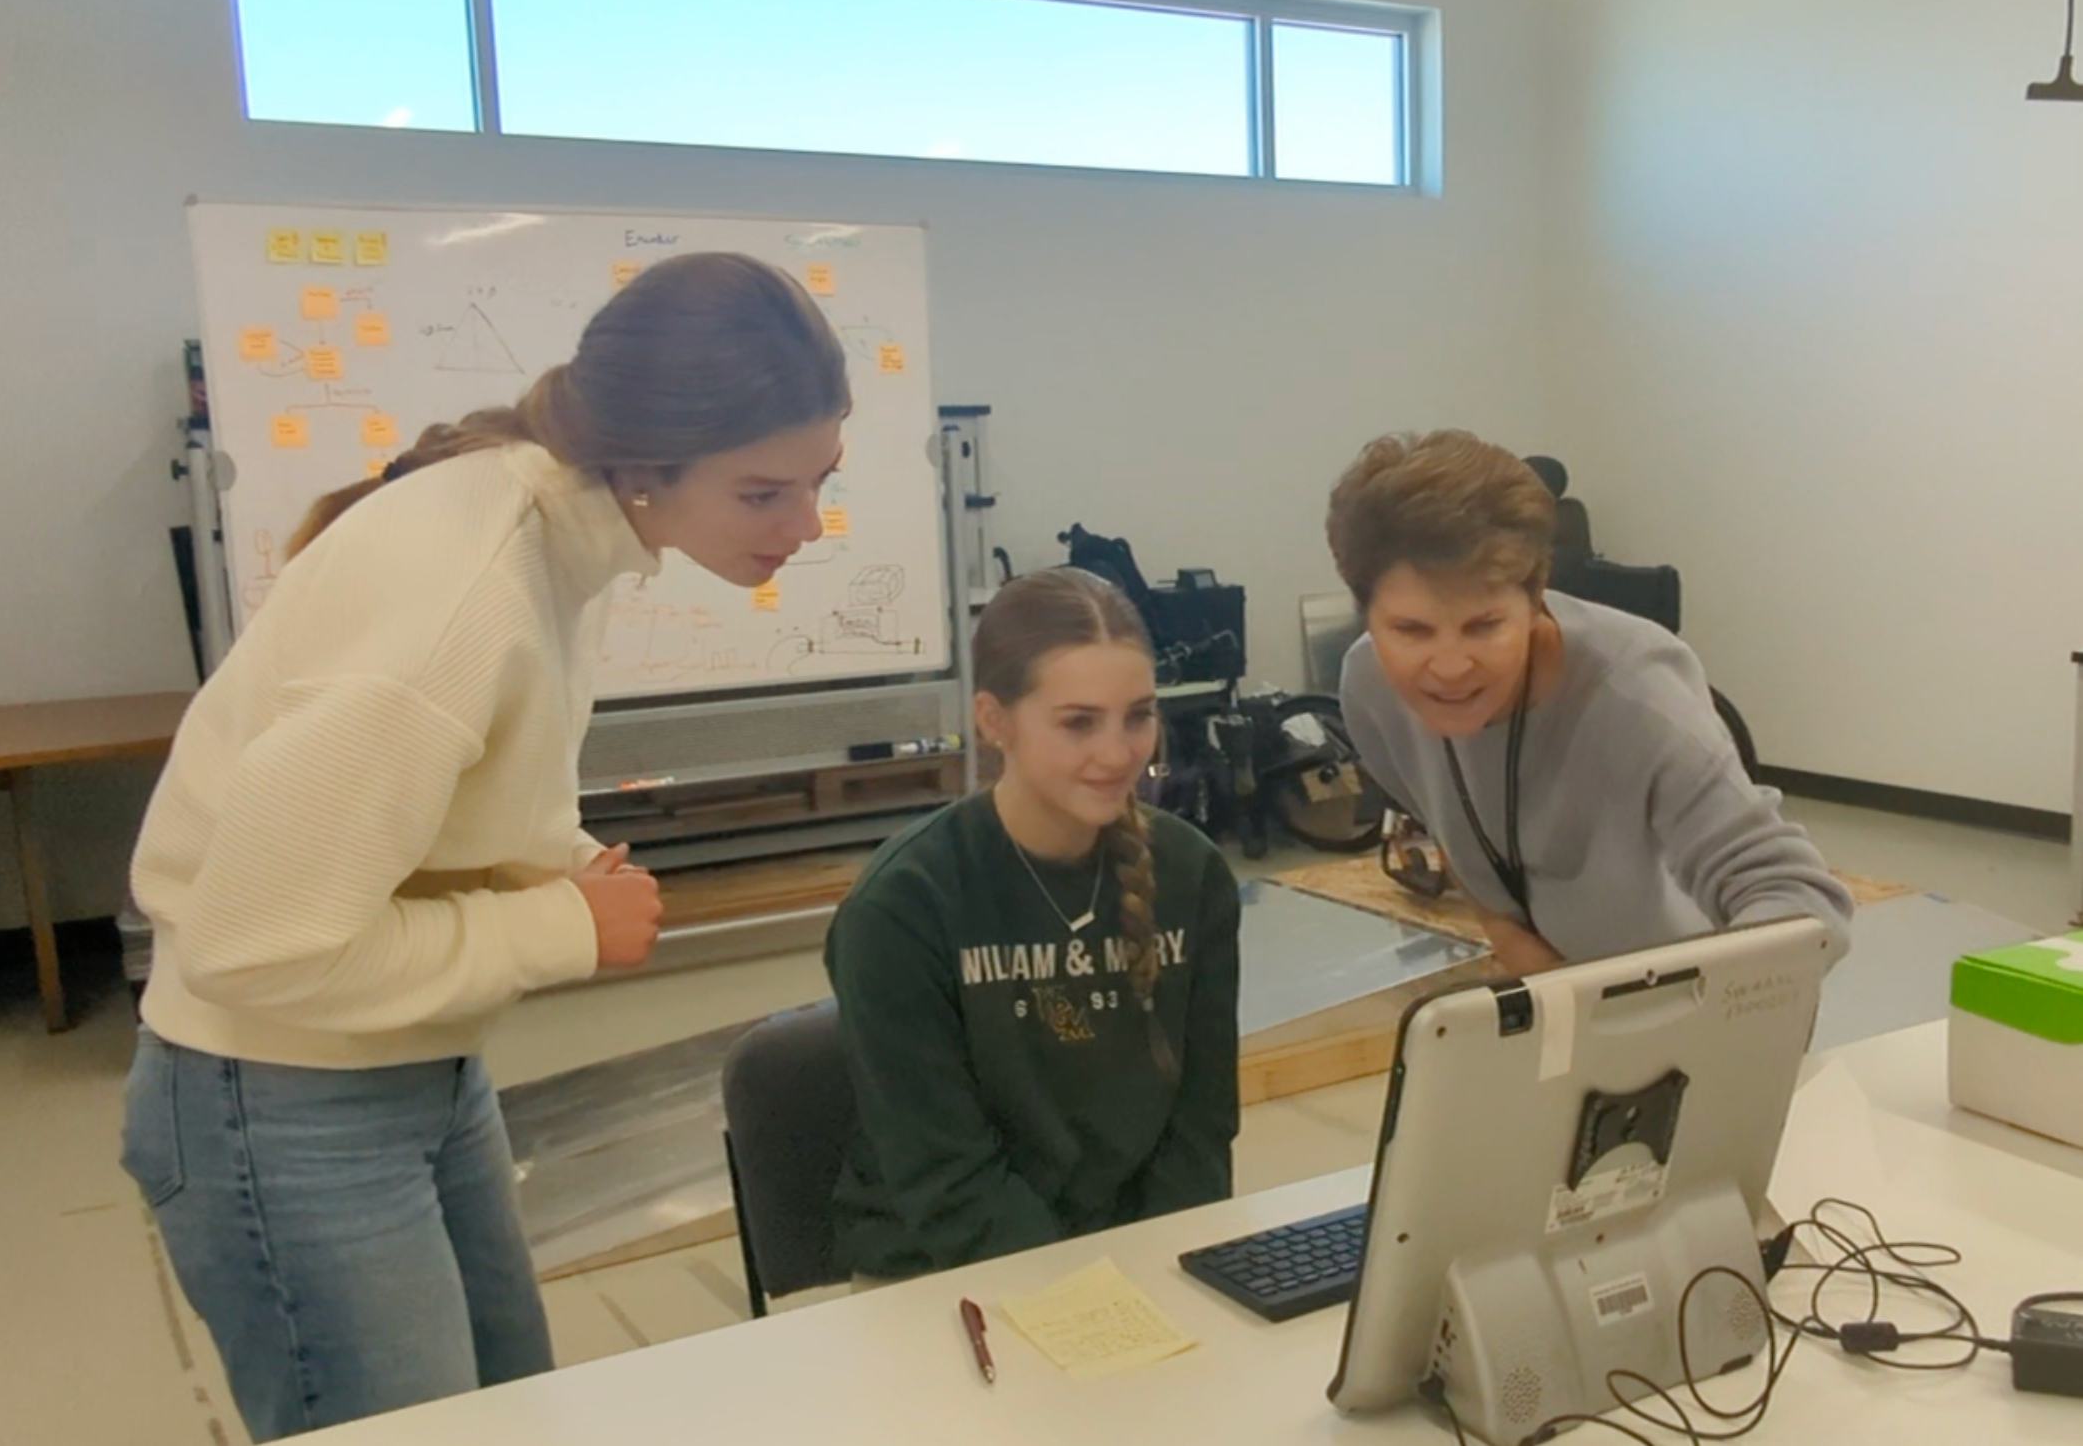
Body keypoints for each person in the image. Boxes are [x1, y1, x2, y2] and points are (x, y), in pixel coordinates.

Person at [121, 253, 851, 1440]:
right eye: (764, 492)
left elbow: (461, 790)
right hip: (280, 1087)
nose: (806, 526)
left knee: (515, 1407)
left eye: (821, 481)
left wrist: (548, 864)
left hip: (411, 1063)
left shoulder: (570, 533)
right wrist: (556, 925)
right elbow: (248, 949)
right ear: (642, 464)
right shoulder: (462, 594)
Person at [827, 568, 1242, 1281]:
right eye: (1078, 722)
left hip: (1134, 1255)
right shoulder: (903, 905)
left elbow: (1200, 1134)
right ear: (994, 720)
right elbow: (946, 1176)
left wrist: (1165, 1274)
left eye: (1138, 716)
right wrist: (1082, 1302)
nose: (1118, 754)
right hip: (938, 1268)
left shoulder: (1190, 874)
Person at [1328, 429, 1853, 976]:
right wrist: (1531, 961)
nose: (1451, 666)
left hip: (1702, 997)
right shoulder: (1369, 689)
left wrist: (1712, 1015)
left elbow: (1799, 900)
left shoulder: (1639, 698)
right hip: (1565, 992)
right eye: (1411, 630)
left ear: (1534, 601)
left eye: (1484, 626)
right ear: (1366, 615)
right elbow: (1461, 838)